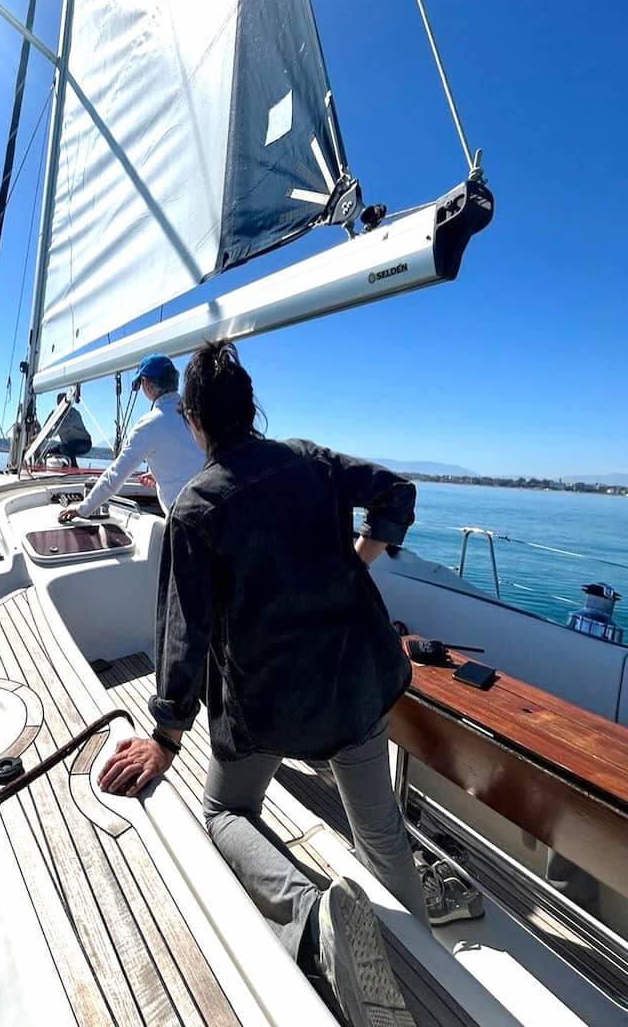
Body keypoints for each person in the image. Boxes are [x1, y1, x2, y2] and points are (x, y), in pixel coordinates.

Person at [98, 340, 426, 1027]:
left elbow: (182, 638)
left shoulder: (195, 509)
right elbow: (396, 492)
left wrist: (165, 735)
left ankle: (313, 927)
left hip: (270, 704)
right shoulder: (309, 458)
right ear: (252, 410)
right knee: (382, 837)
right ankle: (418, 972)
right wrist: (359, 560)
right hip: (356, 682)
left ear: (194, 422)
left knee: (224, 815)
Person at [58, 353, 203, 523]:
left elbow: (115, 475)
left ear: (146, 384)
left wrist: (83, 508)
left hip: (186, 523)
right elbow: (195, 461)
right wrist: (159, 473)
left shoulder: (149, 424)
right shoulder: (196, 415)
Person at [44, 393, 92, 468]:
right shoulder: (58, 414)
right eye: (59, 404)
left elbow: (61, 428)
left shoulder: (73, 414)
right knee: (47, 452)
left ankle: (74, 469)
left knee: (64, 447)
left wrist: (45, 434)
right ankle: (63, 466)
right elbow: (47, 429)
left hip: (84, 443)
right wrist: (50, 417)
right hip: (68, 443)